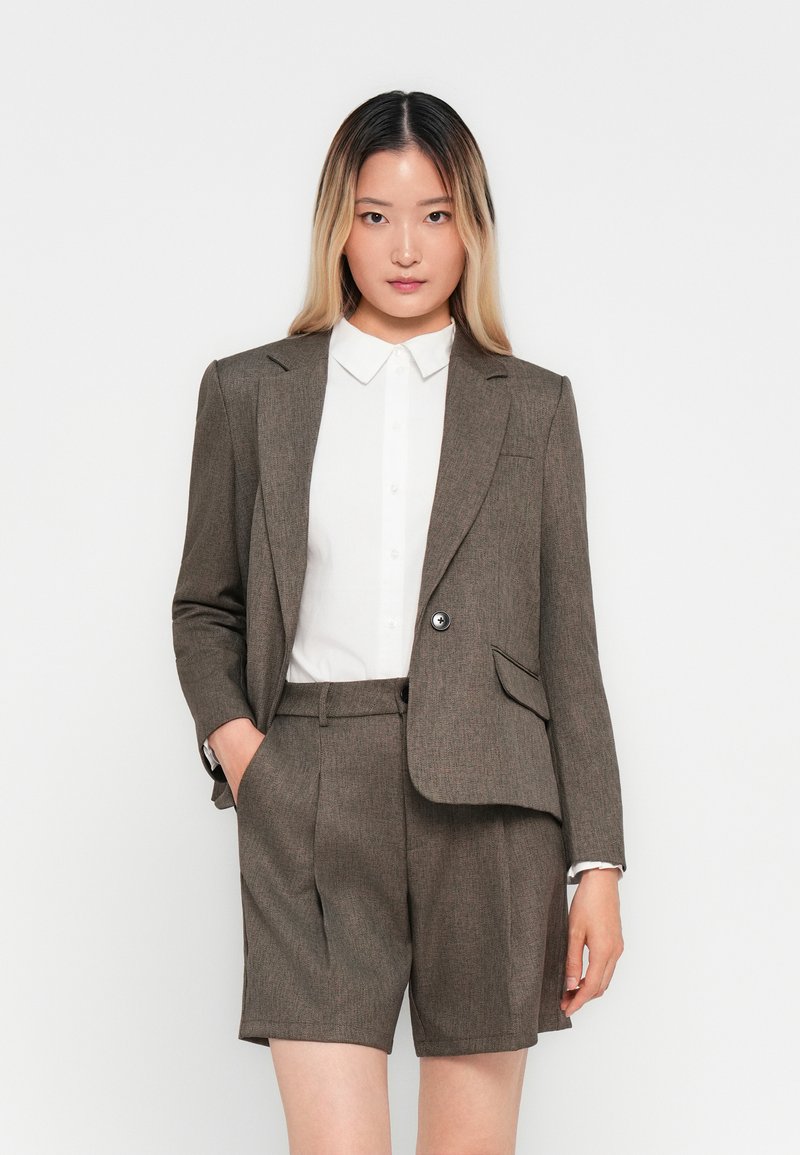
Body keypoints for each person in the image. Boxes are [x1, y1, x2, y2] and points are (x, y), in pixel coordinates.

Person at [172, 89, 626, 1155]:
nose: (406, 248)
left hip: (493, 804)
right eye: (375, 215)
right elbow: (204, 605)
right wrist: (247, 755)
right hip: (309, 787)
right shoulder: (248, 392)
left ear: (473, 228)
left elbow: (569, 645)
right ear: (337, 226)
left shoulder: (532, 404)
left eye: (435, 216)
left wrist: (597, 864)